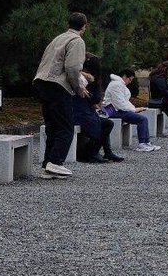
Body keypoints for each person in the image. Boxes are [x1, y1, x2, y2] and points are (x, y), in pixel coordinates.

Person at [32, 12, 88, 179]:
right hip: (58, 85)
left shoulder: (58, 38)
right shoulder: (77, 41)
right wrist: (78, 87)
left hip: (42, 82)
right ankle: (56, 162)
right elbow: (72, 67)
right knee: (65, 127)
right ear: (84, 26)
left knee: (52, 126)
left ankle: (48, 164)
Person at [77, 56, 123, 163]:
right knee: (103, 124)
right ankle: (90, 152)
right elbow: (94, 98)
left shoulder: (87, 79)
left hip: (85, 111)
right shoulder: (86, 81)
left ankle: (106, 152)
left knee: (105, 123)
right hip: (80, 113)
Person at [106, 69, 160, 152]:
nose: (130, 82)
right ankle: (142, 144)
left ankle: (146, 142)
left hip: (117, 110)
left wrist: (134, 109)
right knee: (142, 119)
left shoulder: (118, 84)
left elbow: (124, 102)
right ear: (124, 76)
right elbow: (120, 103)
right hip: (113, 111)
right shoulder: (116, 85)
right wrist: (134, 110)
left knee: (143, 119)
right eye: (130, 79)